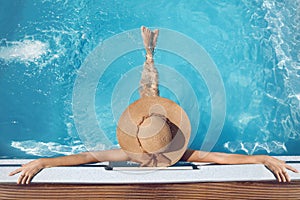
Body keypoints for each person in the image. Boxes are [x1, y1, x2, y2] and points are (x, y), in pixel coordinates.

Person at [9, 26, 298, 184]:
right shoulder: (162, 150)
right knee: (149, 94)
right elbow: (86, 157)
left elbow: (222, 158)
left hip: (153, 126)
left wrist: (262, 159)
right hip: (151, 125)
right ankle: (150, 54)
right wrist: (44, 162)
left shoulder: (157, 149)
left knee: (148, 94)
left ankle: (149, 54)